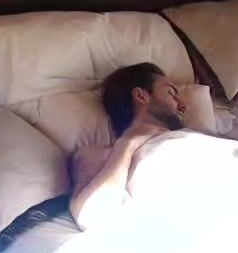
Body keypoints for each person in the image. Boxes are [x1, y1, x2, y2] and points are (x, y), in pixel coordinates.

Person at [70, 63, 186, 229]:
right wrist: (128, 144)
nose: (183, 105)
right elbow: (90, 215)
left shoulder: (195, 137)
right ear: (140, 96)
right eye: (171, 93)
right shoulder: (100, 155)